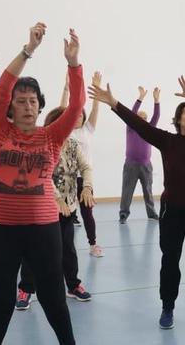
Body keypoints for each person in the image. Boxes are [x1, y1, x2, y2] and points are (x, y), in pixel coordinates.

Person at [89, 76, 185, 330]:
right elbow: (139, 125)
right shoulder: (167, 140)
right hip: (173, 209)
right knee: (170, 259)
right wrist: (114, 103)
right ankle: (168, 307)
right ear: (178, 120)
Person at [0, 22, 84, 345]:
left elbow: (76, 106)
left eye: (32, 101)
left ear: (40, 106)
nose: (27, 106)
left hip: (43, 230)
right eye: (20, 101)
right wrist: (29, 50)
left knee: (54, 301)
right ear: (9, 106)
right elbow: (4, 85)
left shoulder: (51, 136)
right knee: (0, 305)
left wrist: (73, 63)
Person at [16, 106, 95, 311]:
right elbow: (41, 173)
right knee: (34, 250)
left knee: (67, 248)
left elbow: (86, 167)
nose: (77, 120)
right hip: (42, 206)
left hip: (68, 206)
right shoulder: (41, 144)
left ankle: (73, 285)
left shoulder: (72, 144)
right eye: (72, 117)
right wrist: (56, 199)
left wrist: (87, 187)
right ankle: (26, 289)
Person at [60, 71, 103, 257]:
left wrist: (97, 92)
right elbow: (62, 108)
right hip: (66, 179)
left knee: (87, 213)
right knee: (64, 214)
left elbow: (95, 111)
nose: (77, 117)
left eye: (80, 115)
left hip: (84, 179)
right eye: (74, 114)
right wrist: (66, 88)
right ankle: (60, 247)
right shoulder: (63, 130)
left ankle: (93, 244)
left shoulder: (87, 130)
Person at [120, 86, 161, 223]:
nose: (142, 119)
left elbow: (156, 116)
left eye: (145, 118)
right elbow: (132, 113)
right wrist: (141, 97)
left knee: (148, 191)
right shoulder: (131, 127)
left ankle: (152, 213)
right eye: (140, 117)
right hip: (131, 165)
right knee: (127, 191)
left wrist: (156, 100)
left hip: (146, 165)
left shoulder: (149, 129)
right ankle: (123, 214)